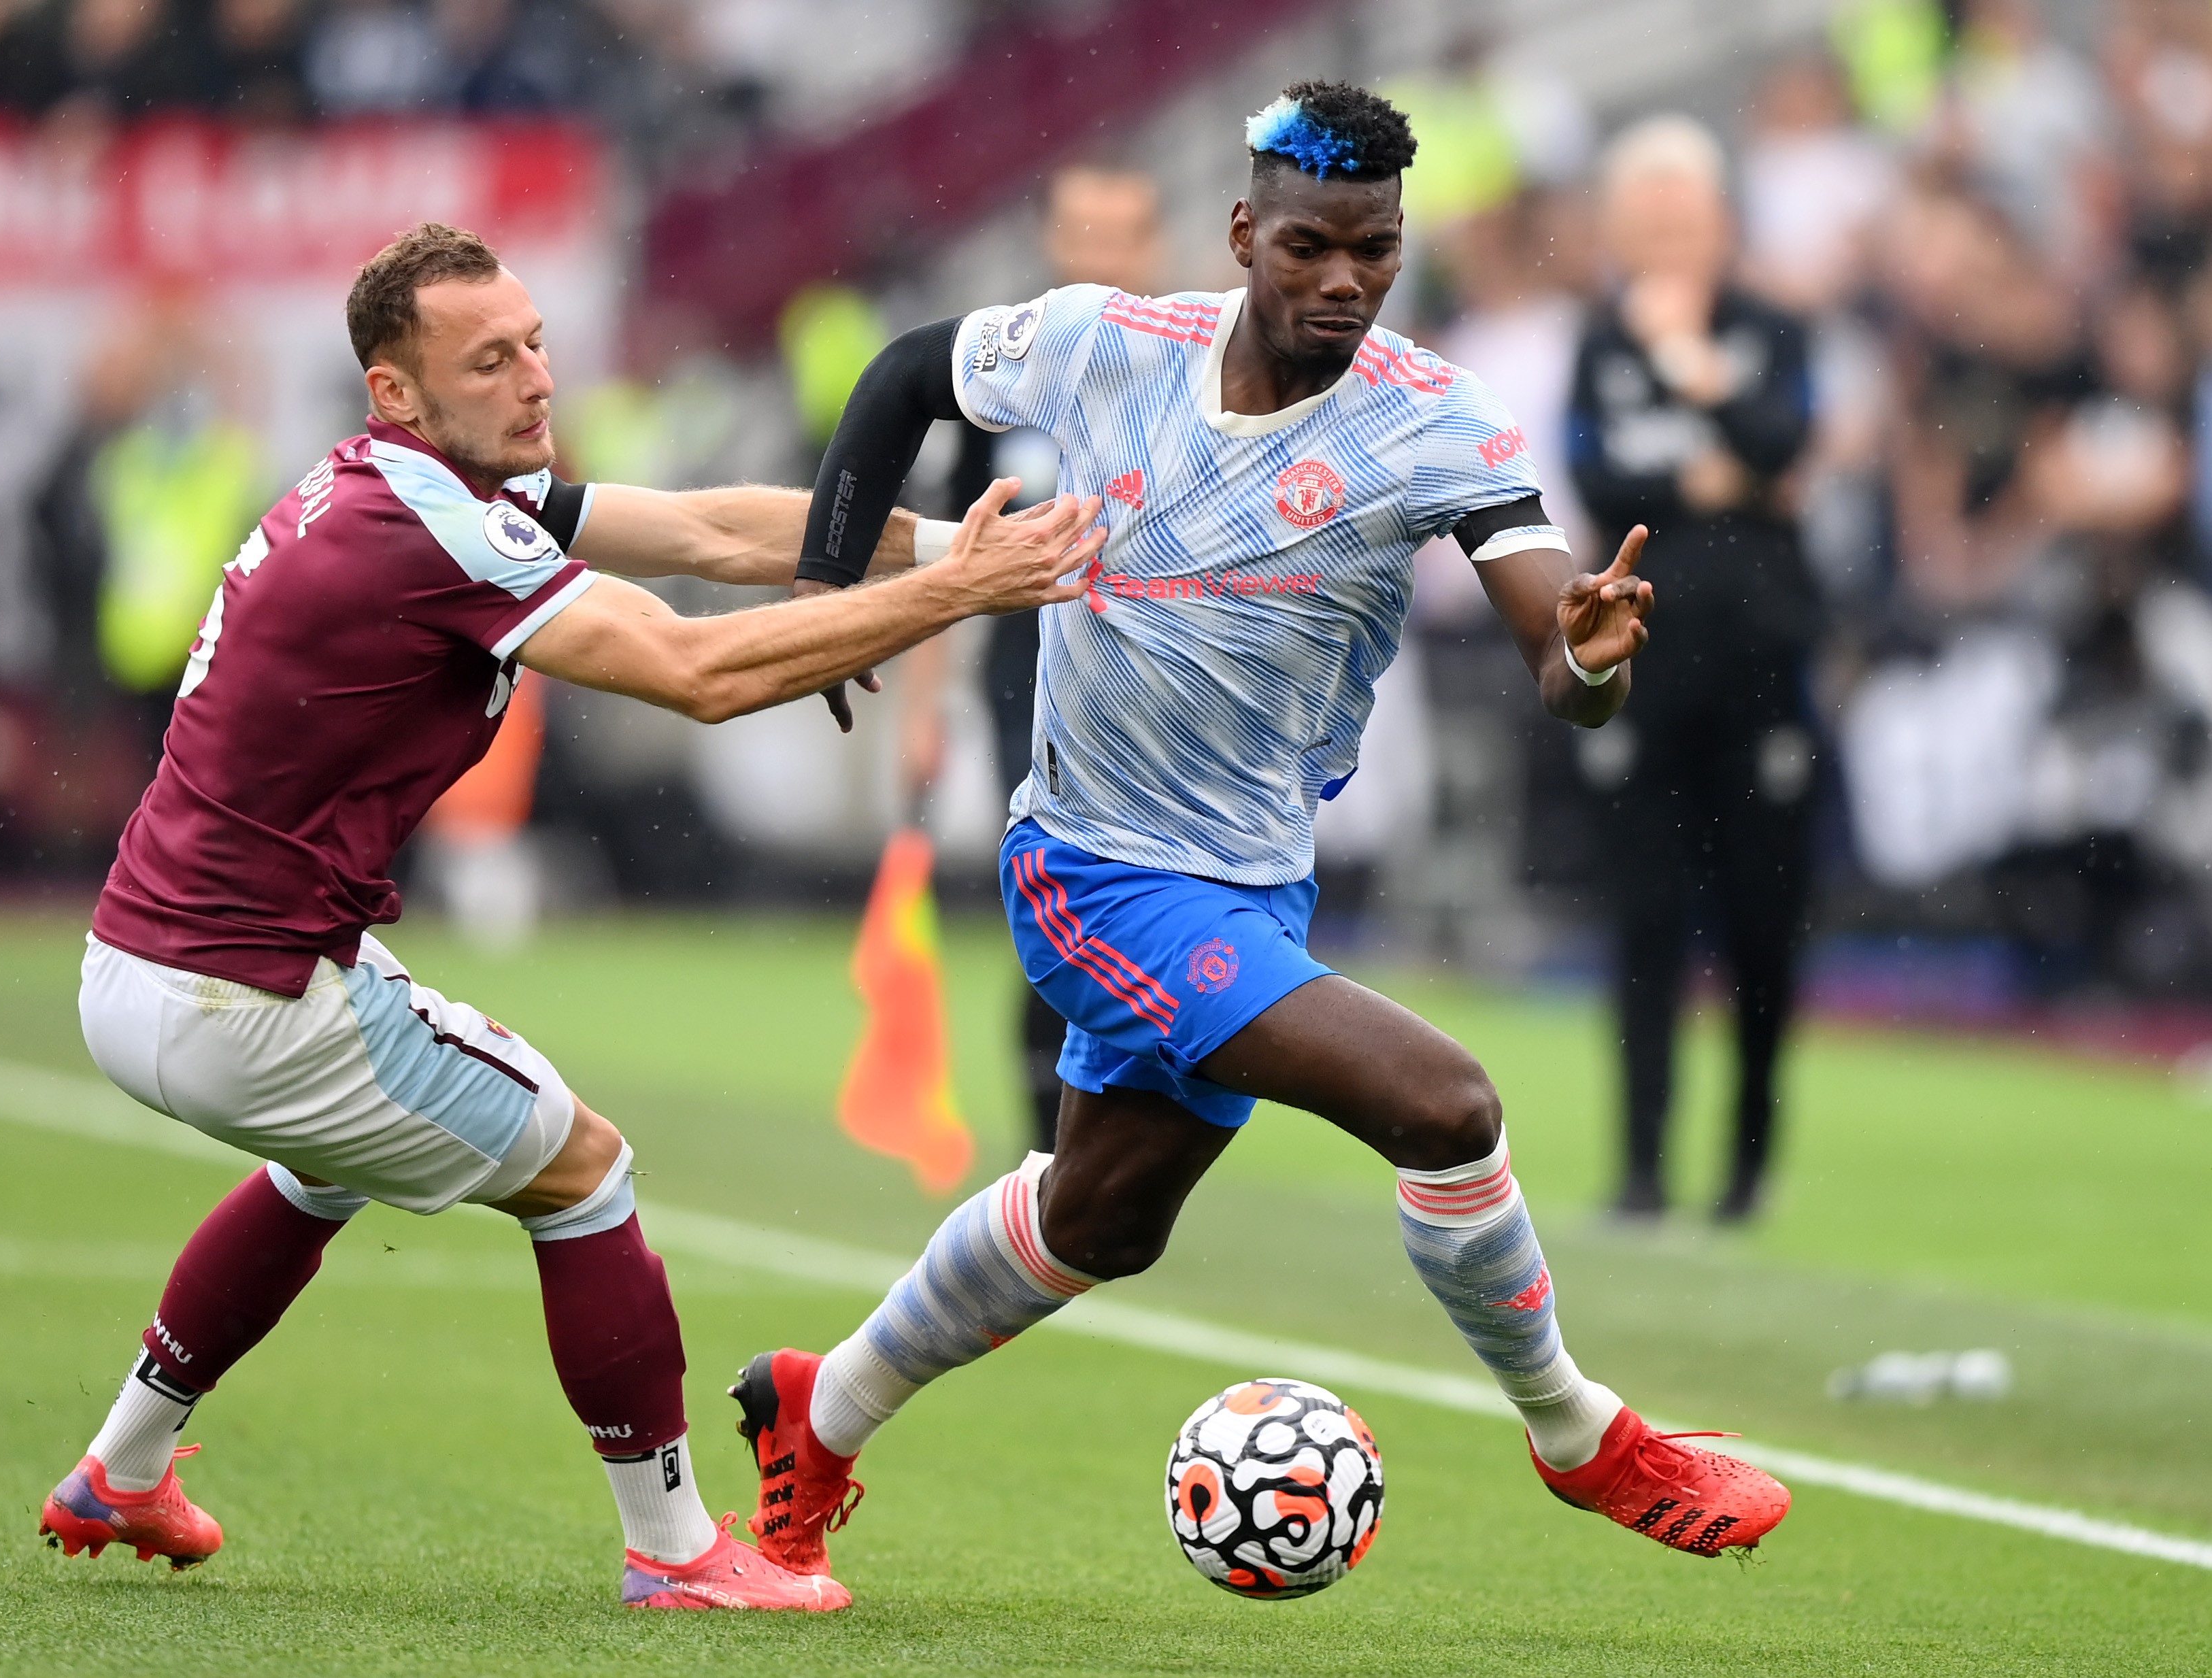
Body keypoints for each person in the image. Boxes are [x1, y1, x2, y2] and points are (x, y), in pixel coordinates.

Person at [735, 82, 1791, 1592]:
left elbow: (1562, 675)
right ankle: (1582, 1436)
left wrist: (1596, 653)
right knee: (1444, 1103)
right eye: (1310, 247)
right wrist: (839, 590)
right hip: (1093, 870)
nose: (1345, 280)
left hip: (1252, 891)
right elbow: (909, 372)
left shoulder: (1431, 421)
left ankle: (815, 1413)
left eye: (1375, 249)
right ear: (1245, 233)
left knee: (1099, 1219)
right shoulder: (1111, 346)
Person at [35, 221, 1101, 1611]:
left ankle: (123, 1466)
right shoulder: (431, 529)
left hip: (141, 970)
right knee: (582, 1167)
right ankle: (674, 1551)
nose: (535, 376)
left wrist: (947, 539)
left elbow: (717, 529)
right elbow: (698, 670)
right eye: (490, 359)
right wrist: (951, 593)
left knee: (331, 1163)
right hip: (247, 996)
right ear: (397, 393)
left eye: (535, 340)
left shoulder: (423, 489)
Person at [1564, 117, 1817, 1224]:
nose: (1664, 239)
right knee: (1644, 920)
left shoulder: (1771, 325)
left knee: (1763, 923)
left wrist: (1686, 368)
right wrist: (1711, 465)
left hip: (1765, 666)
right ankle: (1641, 1169)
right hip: (1645, 668)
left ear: (1723, 222)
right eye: (1645, 220)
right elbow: (1598, 479)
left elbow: (1777, 446)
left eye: (1683, 216)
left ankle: (1748, 1166)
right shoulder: (1594, 339)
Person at [901, 163, 1166, 1155]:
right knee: (1071, 894)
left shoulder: (1206, 368)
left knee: (1158, 902)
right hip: (1043, 674)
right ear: (1052, 241)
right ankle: (1049, 1137)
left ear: (1152, 246)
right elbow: (941, 548)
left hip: (1174, 683)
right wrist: (924, 710)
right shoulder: (1007, 374)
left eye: (1119, 234)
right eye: (1081, 233)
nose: (1098, 255)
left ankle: (1124, 1125)